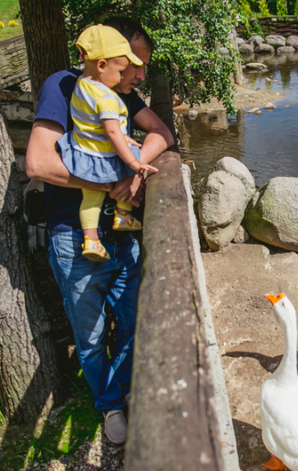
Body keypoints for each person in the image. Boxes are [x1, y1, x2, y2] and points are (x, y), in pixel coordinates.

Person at [25, 17, 174, 445]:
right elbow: (38, 162)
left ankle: (125, 392)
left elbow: (162, 132)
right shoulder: (64, 87)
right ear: (108, 58)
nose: (141, 75)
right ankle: (109, 405)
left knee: (132, 320)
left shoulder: (122, 92)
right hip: (74, 237)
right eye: (135, 64)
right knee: (89, 338)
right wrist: (110, 181)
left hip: (121, 234)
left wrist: (135, 173)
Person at [58, 24, 158, 262]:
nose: (139, 76)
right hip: (101, 158)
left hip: (83, 153)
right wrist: (134, 164)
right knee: (129, 160)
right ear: (103, 65)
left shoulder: (81, 86)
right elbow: (112, 131)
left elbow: (159, 131)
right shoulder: (106, 96)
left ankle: (91, 240)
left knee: (90, 199)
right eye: (126, 68)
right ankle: (122, 215)